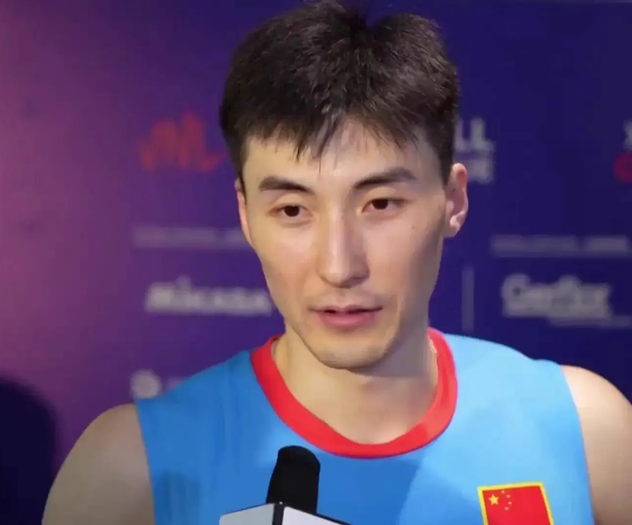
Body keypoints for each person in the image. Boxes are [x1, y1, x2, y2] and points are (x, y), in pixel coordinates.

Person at [42, 1, 632, 524]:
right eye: (293, 209)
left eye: (380, 203)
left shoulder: (587, 433)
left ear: (453, 200)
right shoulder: (130, 471)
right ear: (246, 214)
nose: (339, 265)